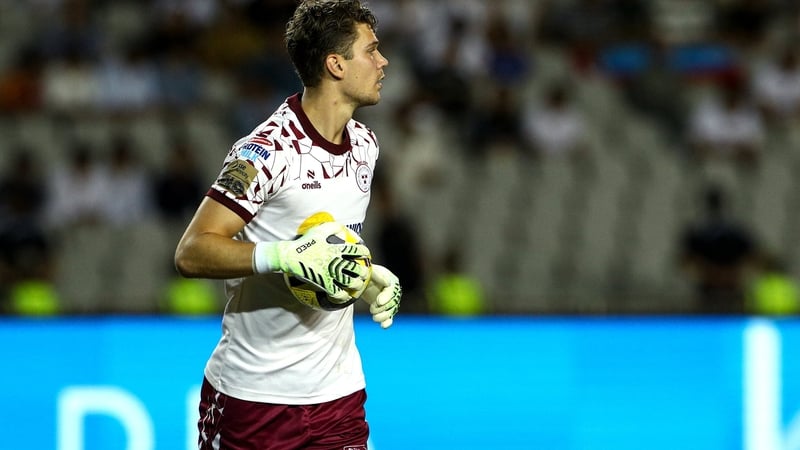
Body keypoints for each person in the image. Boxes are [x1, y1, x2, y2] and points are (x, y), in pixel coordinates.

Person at [173, 1, 401, 449]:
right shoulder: (265, 152)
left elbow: (329, 243)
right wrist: (284, 255)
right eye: (371, 50)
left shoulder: (365, 146)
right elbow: (192, 251)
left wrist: (362, 274)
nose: (383, 61)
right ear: (336, 64)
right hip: (255, 399)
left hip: (339, 395)